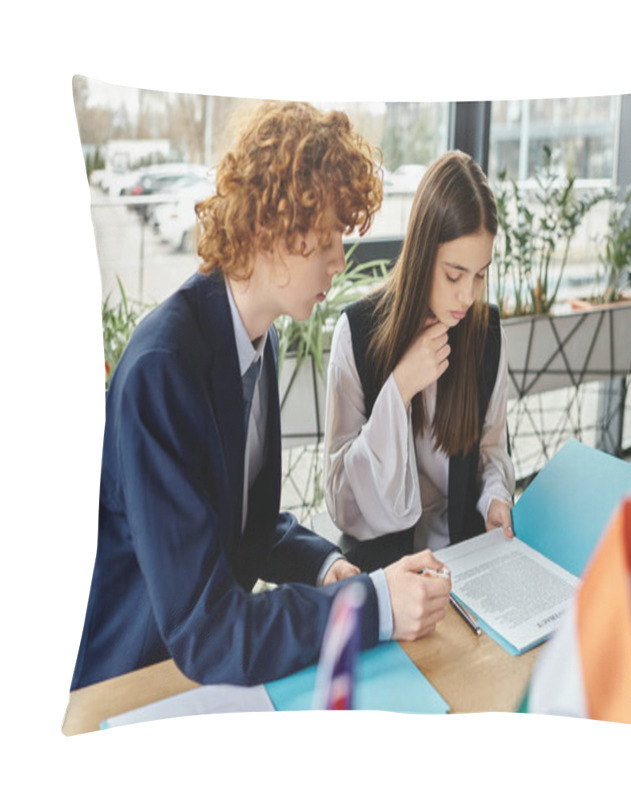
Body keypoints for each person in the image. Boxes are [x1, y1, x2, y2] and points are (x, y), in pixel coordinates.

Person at [70, 101, 451, 692]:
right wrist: (371, 604)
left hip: (202, 673)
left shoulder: (255, 339)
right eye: (326, 238)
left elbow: (246, 523)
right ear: (269, 230)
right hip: (137, 682)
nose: (339, 262)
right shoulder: (162, 371)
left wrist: (327, 565)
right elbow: (207, 630)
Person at [323, 151, 515, 572]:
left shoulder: (486, 334)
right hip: (383, 575)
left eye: (480, 275)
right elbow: (340, 499)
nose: (468, 295)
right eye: (454, 274)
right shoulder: (356, 333)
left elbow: (490, 449)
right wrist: (399, 388)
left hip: (464, 568)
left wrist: (496, 497)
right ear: (421, 254)